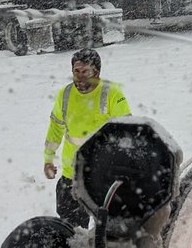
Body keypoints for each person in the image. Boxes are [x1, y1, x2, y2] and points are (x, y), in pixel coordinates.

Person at [43, 48, 132, 227]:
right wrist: (48, 159)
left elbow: (126, 133)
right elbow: (56, 127)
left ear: (97, 73)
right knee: (71, 232)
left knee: (111, 229)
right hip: (72, 174)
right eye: (76, 71)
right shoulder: (65, 95)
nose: (80, 76)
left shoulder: (112, 94)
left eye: (85, 71)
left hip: (103, 175)